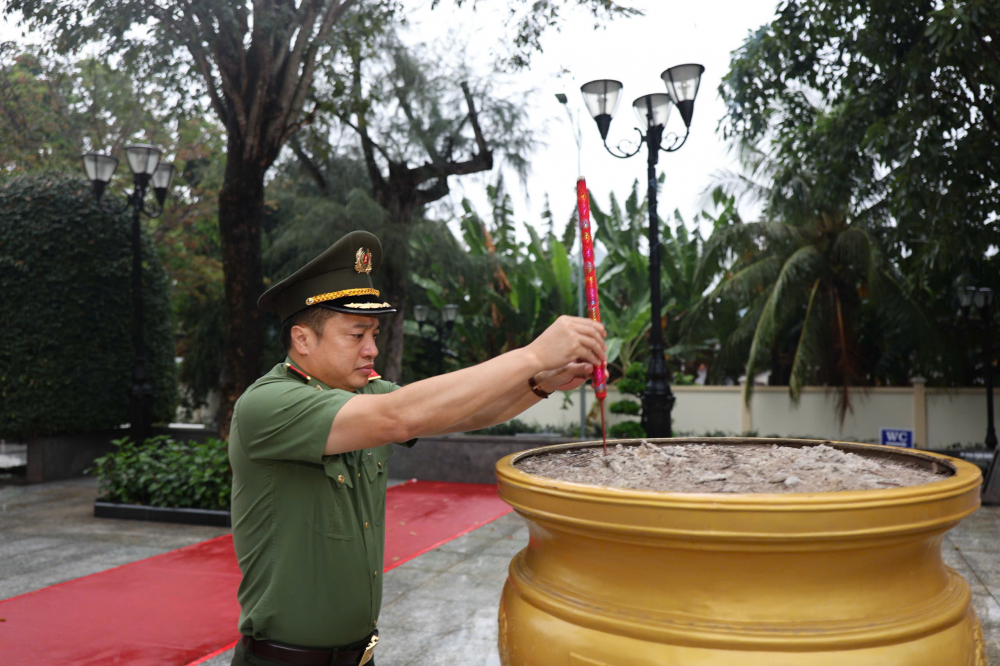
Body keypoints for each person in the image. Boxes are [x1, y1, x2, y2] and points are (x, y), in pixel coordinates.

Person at [228, 230, 606, 666]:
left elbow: (462, 413)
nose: (372, 348)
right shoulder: (268, 403)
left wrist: (540, 383)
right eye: (356, 335)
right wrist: (532, 355)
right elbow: (400, 416)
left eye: (374, 333)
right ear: (303, 339)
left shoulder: (363, 395)